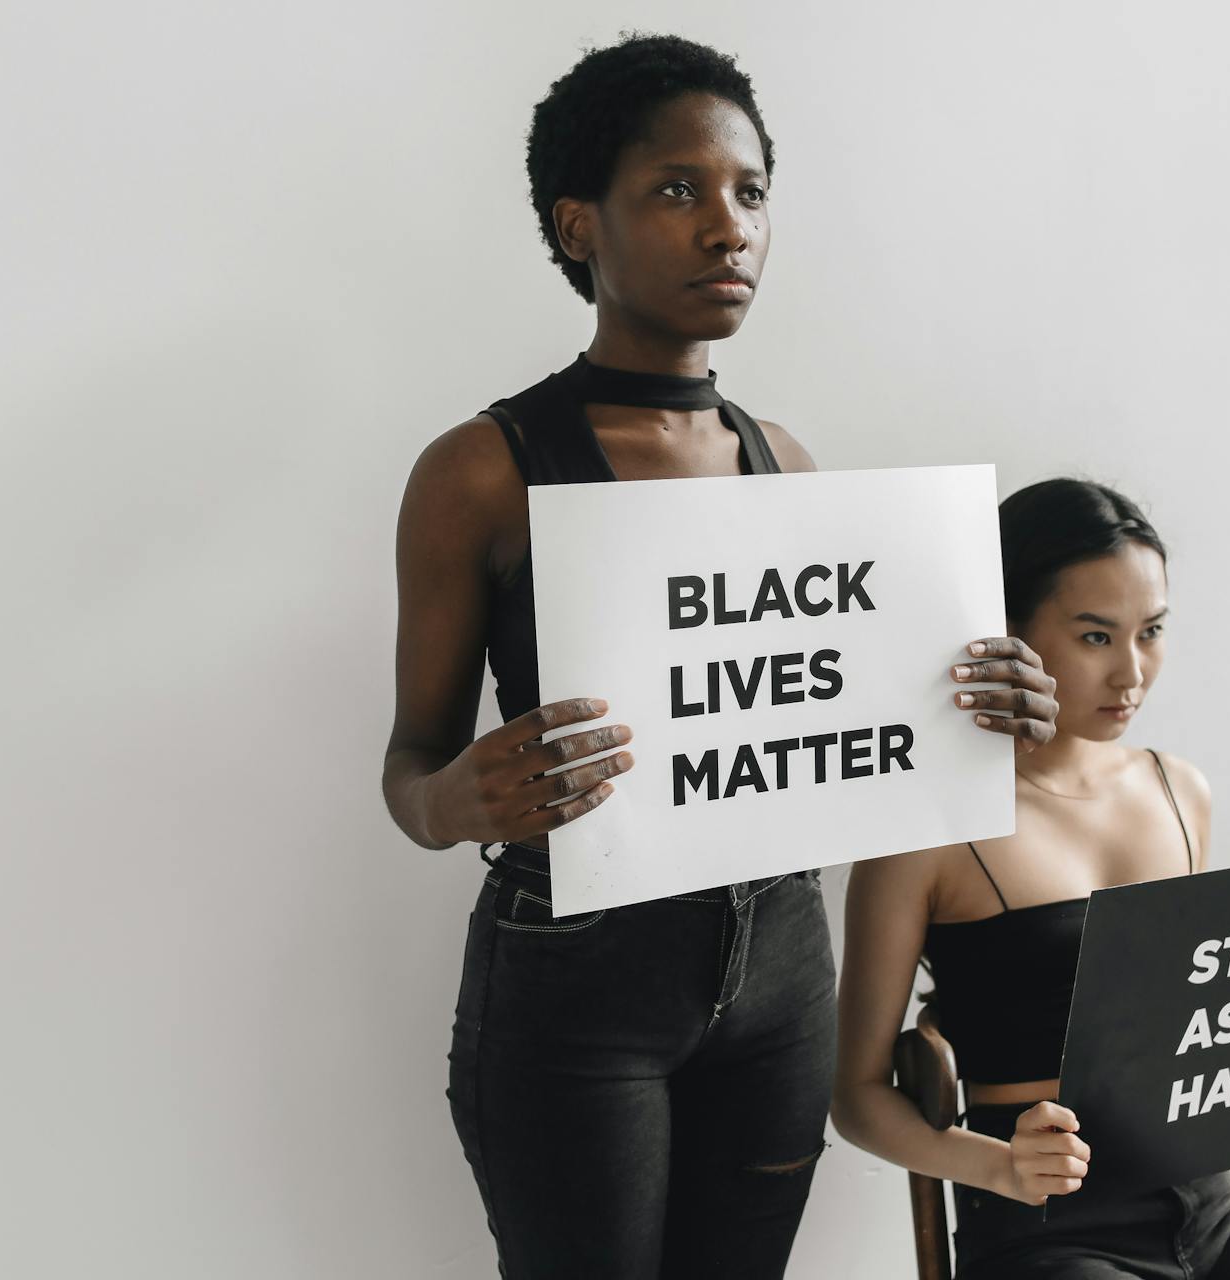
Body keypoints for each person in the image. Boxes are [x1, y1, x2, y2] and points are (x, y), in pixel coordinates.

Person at [381, 33, 1056, 1279]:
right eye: (677, 190)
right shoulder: (482, 470)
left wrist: (991, 702)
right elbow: (412, 765)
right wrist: (448, 795)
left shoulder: (786, 462)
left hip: (784, 965)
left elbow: (844, 723)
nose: (728, 228)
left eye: (750, 193)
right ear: (579, 225)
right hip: (579, 973)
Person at [831, 478, 1230, 1278]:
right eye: (1094, 637)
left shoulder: (1178, 790)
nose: (1132, 674)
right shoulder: (929, 831)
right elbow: (857, 1095)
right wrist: (995, 1166)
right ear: (1007, 628)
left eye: (1150, 631)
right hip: (1047, 1232)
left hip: (1210, 1207)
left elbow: (1209, 1019)